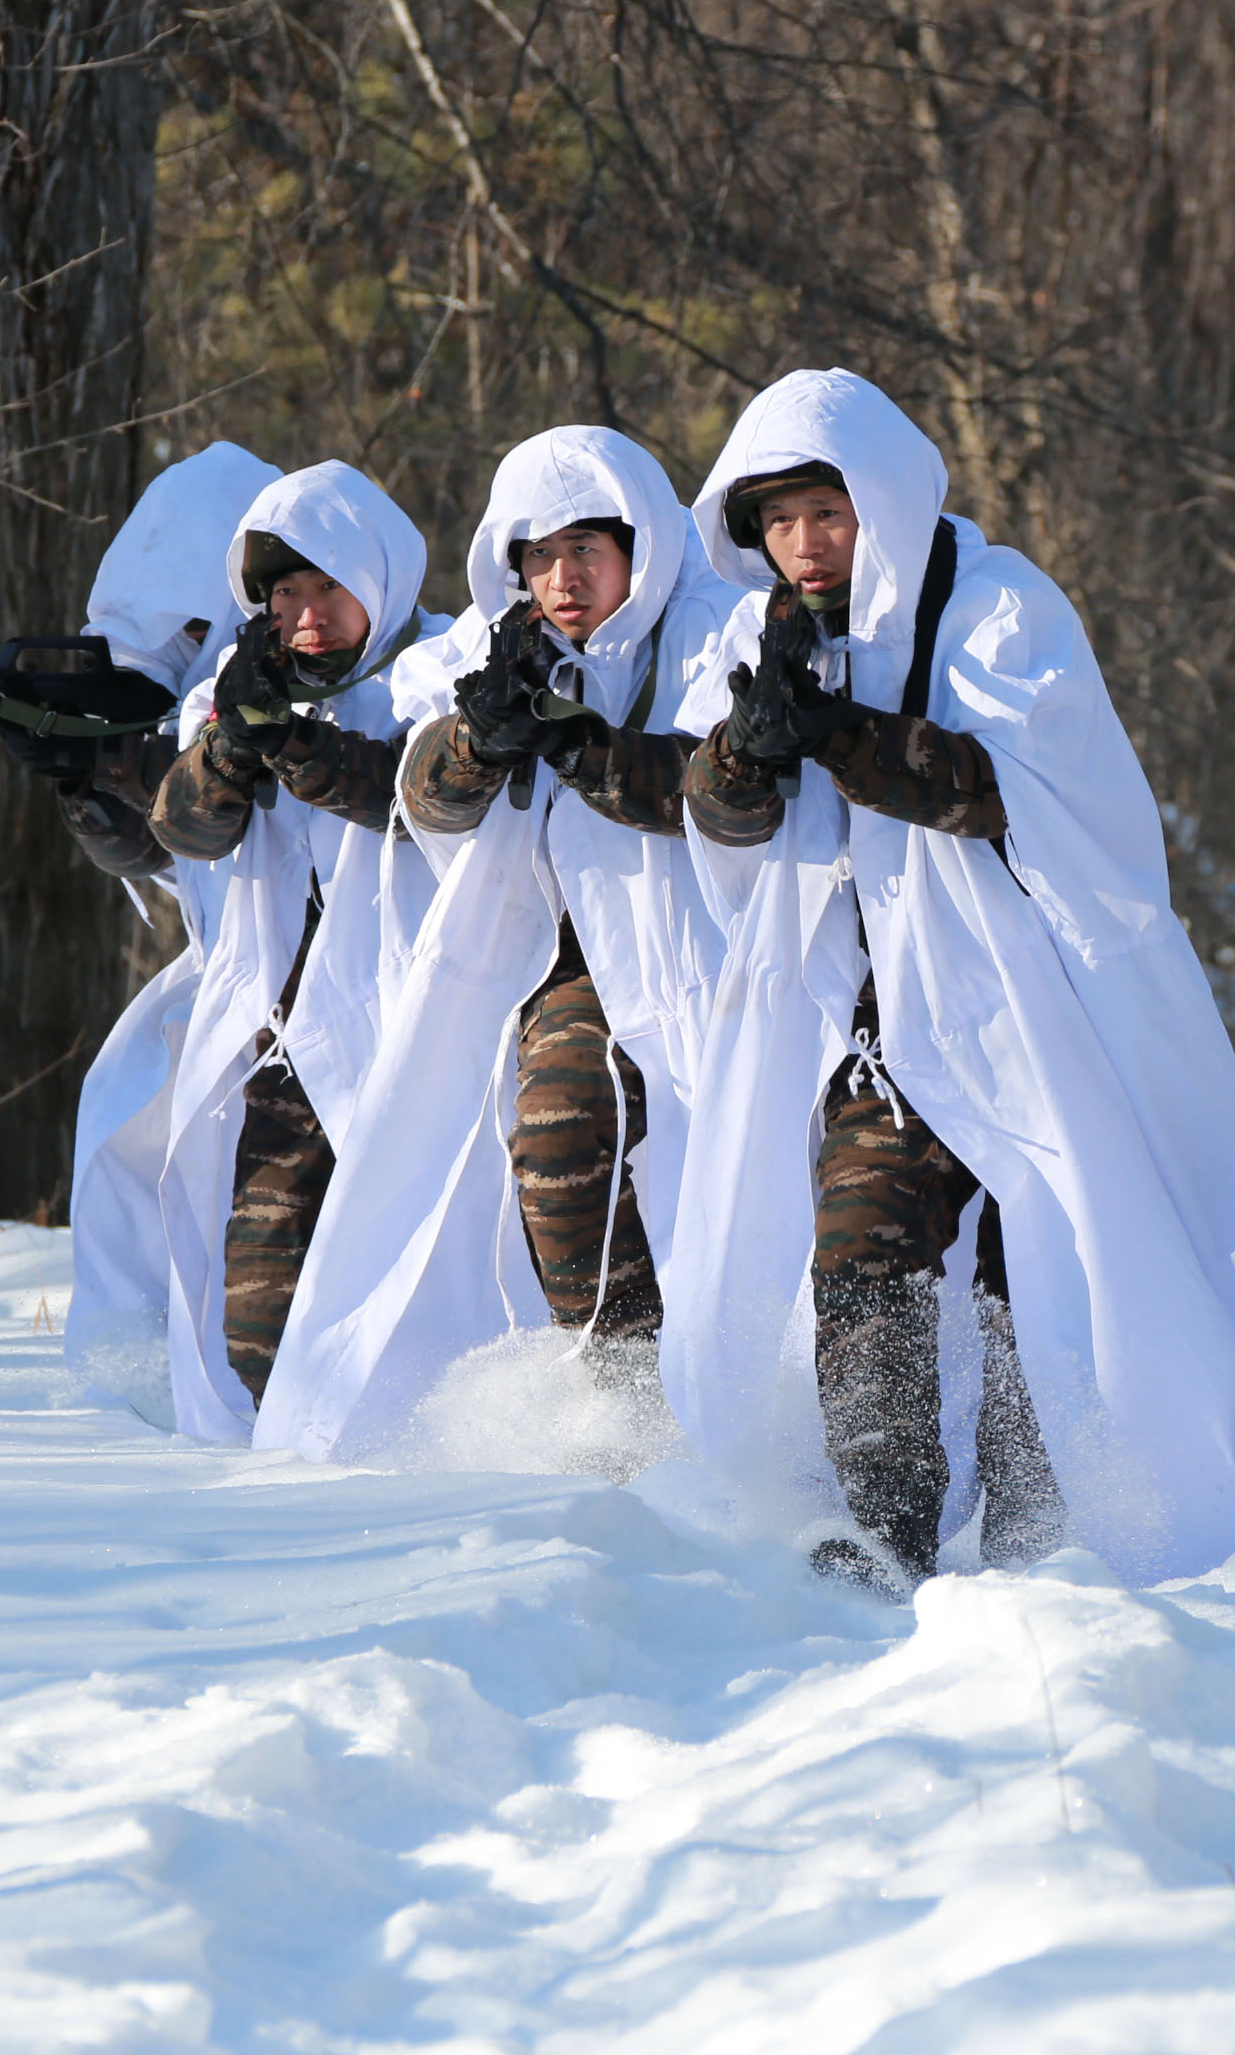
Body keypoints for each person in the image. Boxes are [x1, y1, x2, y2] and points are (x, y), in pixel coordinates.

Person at [661, 367, 1235, 1593]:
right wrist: (745, 755)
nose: (805, 545)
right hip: (875, 1029)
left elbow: (1018, 792)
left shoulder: (1002, 609)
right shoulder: (762, 635)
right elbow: (714, 818)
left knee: (1049, 1280)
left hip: (1033, 1018)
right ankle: (888, 1527)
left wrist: (845, 737)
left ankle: (1052, 1529)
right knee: (862, 1262)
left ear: (882, 505)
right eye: (780, 520)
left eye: (829, 513)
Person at [252, 426, 736, 1460]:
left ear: (636, 549)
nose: (563, 580)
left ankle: (725, 1408)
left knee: (738, 1188)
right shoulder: (478, 648)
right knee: (553, 1148)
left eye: (586, 553)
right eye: (539, 556)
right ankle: (622, 1389)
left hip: (709, 959)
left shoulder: (714, 634)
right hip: (551, 964)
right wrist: (477, 740)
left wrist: (584, 744)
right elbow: (404, 784)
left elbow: (725, 786)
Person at [145, 460, 448, 1442]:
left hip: (424, 1041)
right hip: (283, 1049)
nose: (308, 614)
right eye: (286, 593)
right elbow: (186, 827)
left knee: (419, 1289)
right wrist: (237, 737)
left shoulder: (437, 668)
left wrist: (296, 746)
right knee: (262, 1308)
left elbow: (418, 798)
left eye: (329, 588)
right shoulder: (228, 693)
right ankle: (280, 1488)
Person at [44, 442, 287, 1414]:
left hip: (327, 990)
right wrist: (99, 791)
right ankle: (129, 1376)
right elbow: (168, 856)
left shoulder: (328, 663)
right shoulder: (173, 684)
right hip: (223, 976)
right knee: (126, 1112)